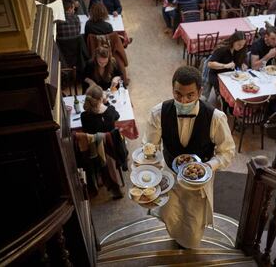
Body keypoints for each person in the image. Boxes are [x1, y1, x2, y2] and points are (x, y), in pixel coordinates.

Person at [144, 66, 235, 249]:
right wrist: (147, 172)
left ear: (200, 91)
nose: (183, 100)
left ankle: (189, 246)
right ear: (172, 90)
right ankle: (175, 238)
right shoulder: (158, 113)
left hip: (198, 182)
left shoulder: (215, 117)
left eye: (190, 95)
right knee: (171, 214)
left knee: (193, 220)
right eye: (178, 94)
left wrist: (209, 165)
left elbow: (227, 151)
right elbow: (150, 148)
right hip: (170, 176)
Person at [80, 84, 123, 199]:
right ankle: (114, 185)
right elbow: (117, 116)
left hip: (94, 151)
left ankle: (98, 176)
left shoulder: (84, 116)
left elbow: (86, 131)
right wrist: (107, 104)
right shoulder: (110, 111)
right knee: (108, 156)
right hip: (112, 149)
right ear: (100, 99)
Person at [207, 31, 247, 98]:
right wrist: (224, 65)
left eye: (243, 45)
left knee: (240, 89)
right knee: (229, 92)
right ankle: (224, 101)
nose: (241, 47)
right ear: (233, 41)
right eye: (239, 44)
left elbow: (243, 61)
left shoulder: (242, 49)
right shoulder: (222, 49)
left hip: (231, 75)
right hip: (217, 75)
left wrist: (244, 64)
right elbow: (210, 64)